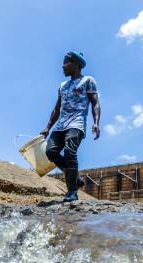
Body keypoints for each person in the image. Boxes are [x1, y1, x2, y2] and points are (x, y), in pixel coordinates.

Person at [40, 51, 101, 202]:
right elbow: (57, 108)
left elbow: (95, 103)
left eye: (66, 62)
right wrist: (48, 127)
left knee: (70, 151)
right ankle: (76, 178)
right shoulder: (62, 86)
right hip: (61, 125)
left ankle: (72, 191)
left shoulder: (88, 80)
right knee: (50, 151)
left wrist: (96, 123)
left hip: (77, 123)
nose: (63, 66)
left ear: (76, 64)